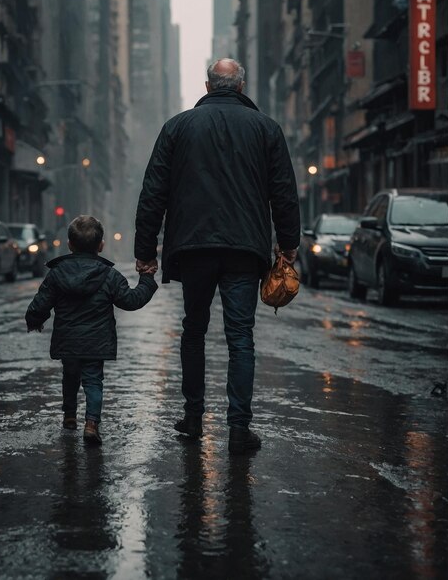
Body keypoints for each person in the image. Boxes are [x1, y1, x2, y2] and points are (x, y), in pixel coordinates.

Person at [134, 58, 300, 454]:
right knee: (240, 337)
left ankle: (193, 418)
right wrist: (288, 245)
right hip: (245, 250)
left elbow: (153, 192)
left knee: (194, 329)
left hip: (193, 248)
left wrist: (145, 253)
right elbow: (284, 193)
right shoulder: (266, 129)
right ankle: (239, 430)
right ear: (241, 87)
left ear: (208, 87)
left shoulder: (177, 127)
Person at [25, 215, 158, 445]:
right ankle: (91, 424)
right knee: (94, 381)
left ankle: (69, 416)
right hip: (97, 342)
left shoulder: (58, 273)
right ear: (101, 245)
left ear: (69, 244)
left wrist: (35, 320)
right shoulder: (109, 276)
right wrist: (147, 279)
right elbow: (131, 300)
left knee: (70, 377)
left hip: (68, 341)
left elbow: (41, 303)